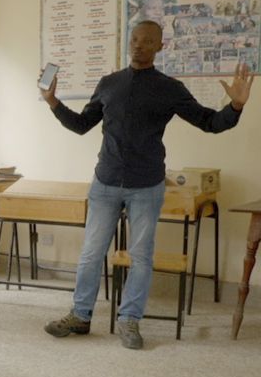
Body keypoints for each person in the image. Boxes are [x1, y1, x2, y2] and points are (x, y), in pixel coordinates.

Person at [41, 20, 254, 349]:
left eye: (147, 41)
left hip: (146, 185)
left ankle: (129, 320)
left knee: (140, 257)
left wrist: (236, 106)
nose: (139, 45)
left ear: (160, 46)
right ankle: (80, 316)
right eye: (135, 39)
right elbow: (82, 125)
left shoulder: (169, 88)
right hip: (106, 181)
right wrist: (53, 102)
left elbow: (209, 122)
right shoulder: (109, 83)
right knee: (90, 254)